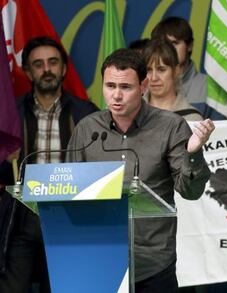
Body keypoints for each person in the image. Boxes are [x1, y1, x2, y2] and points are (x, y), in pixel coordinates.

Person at [66, 48, 215, 292]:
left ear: (143, 86)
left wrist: (193, 153)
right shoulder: (87, 128)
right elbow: (69, 191)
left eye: (125, 87)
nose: (116, 95)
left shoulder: (170, 126)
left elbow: (190, 192)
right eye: (110, 85)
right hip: (99, 259)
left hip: (153, 263)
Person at [0, 36, 98, 292]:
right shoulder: (12, 115)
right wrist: (4, 155)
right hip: (21, 218)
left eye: (53, 63)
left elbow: (101, 165)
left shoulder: (85, 113)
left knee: (63, 288)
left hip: (69, 218)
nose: (47, 70)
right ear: (28, 72)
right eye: (39, 64)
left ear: (64, 68)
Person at [151, 16, 226, 120]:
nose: (168, 49)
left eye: (174, 43)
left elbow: (222, 133)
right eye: (163, 44)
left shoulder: (212, 88)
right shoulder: (144, 87)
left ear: (190, 45)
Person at [142, 38, 203, 121]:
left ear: (176, 71)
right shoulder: (131, 113)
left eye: (161, 70)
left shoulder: (192, 118)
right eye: (148, 70)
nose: (154, 78)